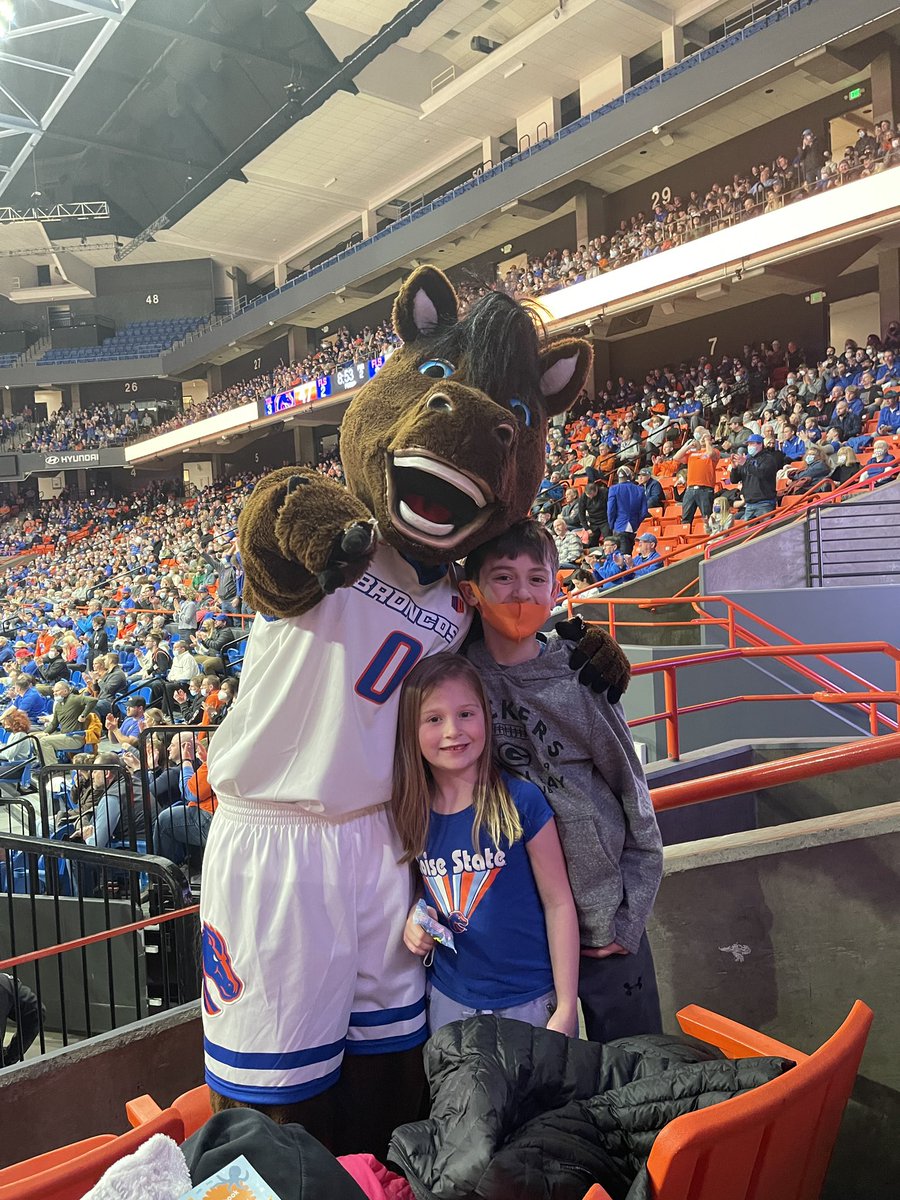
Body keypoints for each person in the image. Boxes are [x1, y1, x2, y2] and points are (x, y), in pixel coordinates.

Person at [461, 521, 664, 1042]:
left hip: (604, 931)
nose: (521, 593)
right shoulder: (459, 679)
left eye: (536, 579)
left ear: (556, 590)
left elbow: (634, 799)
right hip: (518, 935)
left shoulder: (582, 678)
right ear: (472, 592)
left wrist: (628, 917)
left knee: (633, 1069)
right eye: (503, 577)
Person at [394, 654, 579, 1037]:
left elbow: (559, 902)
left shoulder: (522, 801)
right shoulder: (411, 811)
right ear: (411, 730)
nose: (452, 731)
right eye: (433, 719)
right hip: (449, 1003)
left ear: (486, 716)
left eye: (465, 714)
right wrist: (416, 916)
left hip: (530, 1002)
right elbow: (422, 890)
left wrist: (565, 1005)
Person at [729, 434, 784, 522]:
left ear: (760, 444)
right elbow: (734, 480)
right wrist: (734, 468)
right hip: (750, 503)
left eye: (752, 444)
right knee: (748, 532)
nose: (749, 446)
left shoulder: (768, 459)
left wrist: (745, 463)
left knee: (765, 531)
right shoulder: (747, 460)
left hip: (765, 503)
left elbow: (761, 473)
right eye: (748, 444)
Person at [674, 431, 719, 529]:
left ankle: (709, 536)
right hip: (690, 489)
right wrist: (688, 446)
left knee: (707, 517)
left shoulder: (715, 451)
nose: (702, 439)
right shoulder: (691, 453)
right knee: (685, 519)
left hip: (705, 489)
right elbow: (676, 457)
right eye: (701, 438)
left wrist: (708, 441)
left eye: (705, 437)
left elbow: (710, 453)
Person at [0, 972, 43, 1066]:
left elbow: (36, 1012)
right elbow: (36, 1011)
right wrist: (10, 1056)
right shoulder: (4, 983)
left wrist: (9, 1056)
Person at [606, 466, 649, 555]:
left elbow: (610, 510)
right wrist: (637, 522)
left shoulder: (613, 489)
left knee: (621, 558)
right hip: (634, 527)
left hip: (619, 526)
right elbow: (644, 512)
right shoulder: (640, 489)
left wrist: (611, 525)